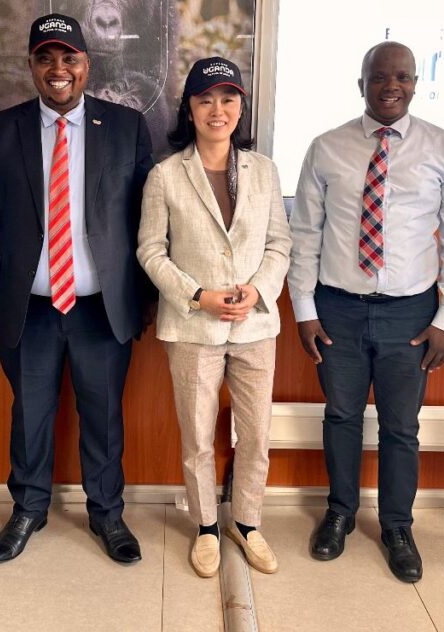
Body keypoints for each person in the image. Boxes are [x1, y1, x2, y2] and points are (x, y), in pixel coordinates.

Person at [0, 13, 154, 565]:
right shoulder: (3, 129)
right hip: (28, 308)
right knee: (29, 414)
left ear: (85, 65)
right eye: (45, 57)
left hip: (102, 308)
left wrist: (143, 299)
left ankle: (107, 514)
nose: (58, 69)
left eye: (68, 58)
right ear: (30, 64)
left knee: (103, 413)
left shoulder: (125, 127)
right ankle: (27, 510)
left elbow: (146, 219)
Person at [288, 41, 444, 582]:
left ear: (416, 83)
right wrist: (304, 308)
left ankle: (397, 525)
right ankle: (340, 512)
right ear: (362, 83)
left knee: (400, 427)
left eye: (402, 77)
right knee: (342, 416)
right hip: (337, 310)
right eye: (379, 77)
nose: (390, 86)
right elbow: (305, 234)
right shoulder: (327, 147)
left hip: (411, 316)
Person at [137, 58, 291, 578]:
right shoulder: (165, 175)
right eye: (205, 100)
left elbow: (279, 244)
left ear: (241, 107)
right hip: (192, 327)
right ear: (190, 109)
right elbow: (150, 251)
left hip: (254, 326)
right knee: (198, 435)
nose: (217, 110)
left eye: (227, 99)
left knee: (256, 433)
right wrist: (196, 295)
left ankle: (246, 523)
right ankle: (206, 526)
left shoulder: (264, 171)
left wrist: (258, 289)